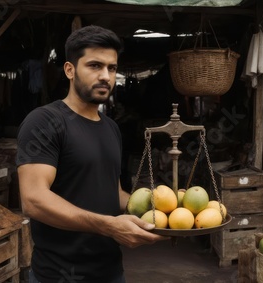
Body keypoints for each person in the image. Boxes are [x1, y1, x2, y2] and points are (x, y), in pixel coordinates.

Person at [16, 25, 167, 283]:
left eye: (112, 68)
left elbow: (114, 191)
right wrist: (109, 225)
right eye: (95, 66)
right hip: (57, 275)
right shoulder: (45, 121)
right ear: (70, 70)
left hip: (110, 272)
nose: (106, 76)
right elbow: (34, 199)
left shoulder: (110, 128)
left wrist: (158, 208)